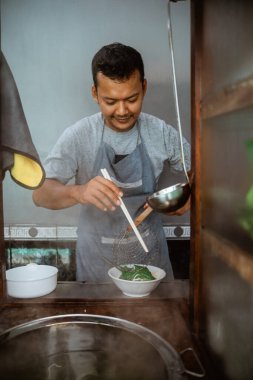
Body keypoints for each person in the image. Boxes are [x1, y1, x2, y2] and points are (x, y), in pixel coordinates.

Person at [33, 42, 191, 282]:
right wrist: (79, 192)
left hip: (151, 263)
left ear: (144, 88)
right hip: (96, 266)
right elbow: (40, 195)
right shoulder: (79, 136)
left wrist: (193, 196)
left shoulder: (161, 133)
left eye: (132, 99)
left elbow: (204, 171)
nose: (122, 110)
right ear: (95, 93)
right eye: (110, 101)